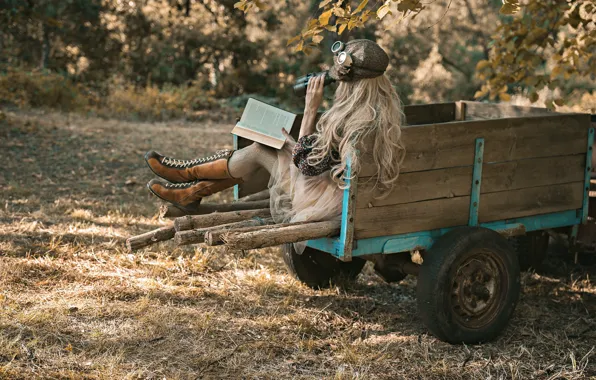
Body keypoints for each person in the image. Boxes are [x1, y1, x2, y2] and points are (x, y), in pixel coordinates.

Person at [144, 39, 406, 248]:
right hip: (350, 198)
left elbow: (306, 166)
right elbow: (324, 159)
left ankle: (186, 181)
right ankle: (188, 189)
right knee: (278, 144)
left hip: (323, 202)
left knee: (261, 148)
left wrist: (310, 110)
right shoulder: (383, 117)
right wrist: (293, 143)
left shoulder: (345, 123)